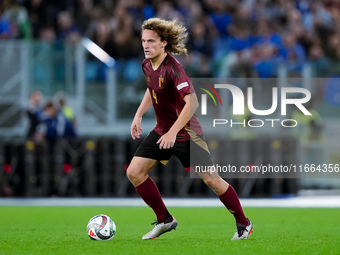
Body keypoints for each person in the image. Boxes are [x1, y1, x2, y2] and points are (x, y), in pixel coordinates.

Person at [127, 17, 253, 241]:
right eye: (143, 40)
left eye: (151, 41)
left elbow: (192, 103)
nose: (145, 45)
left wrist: (173, 132)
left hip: (186, 134)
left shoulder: (174, 69)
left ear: (164, 42)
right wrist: (138, 114)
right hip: (163, 131)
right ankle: (165, 220)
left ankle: (244, 223)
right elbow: (151, 89)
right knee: (134, 172)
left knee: (212, 180)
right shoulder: (147, 64)